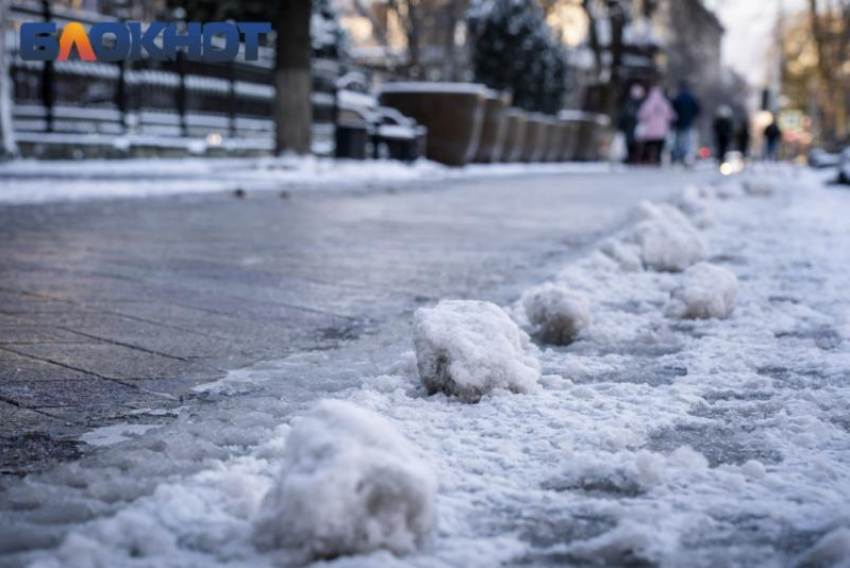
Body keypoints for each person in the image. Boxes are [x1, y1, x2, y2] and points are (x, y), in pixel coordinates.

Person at [637, 86, 676, 166]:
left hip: (650, 130)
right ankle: (658, 160)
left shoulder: (648, 102)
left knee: (651, 146)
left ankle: (651, 159)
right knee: (659, 147)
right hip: (662, 130)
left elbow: (642, 116)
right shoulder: (664, 103)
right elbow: (671, 116)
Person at [671, 81, 701, 165]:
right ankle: (686, 157)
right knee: (687, 141)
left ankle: (677, 157)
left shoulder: (677, 98)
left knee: (677, 141)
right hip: (688, 122)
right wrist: (692, 117)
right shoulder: (691, 98)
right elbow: (696, 109)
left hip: (678, 122)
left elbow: (673, 109)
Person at [617, 84, 646, 164]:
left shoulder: (628, 103)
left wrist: (620, 125)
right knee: (636, 144)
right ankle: (635, 159)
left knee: (630, 143)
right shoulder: (642, 104)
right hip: (636, 127)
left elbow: (623, 116)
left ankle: (631, 158)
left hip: (630, 127)